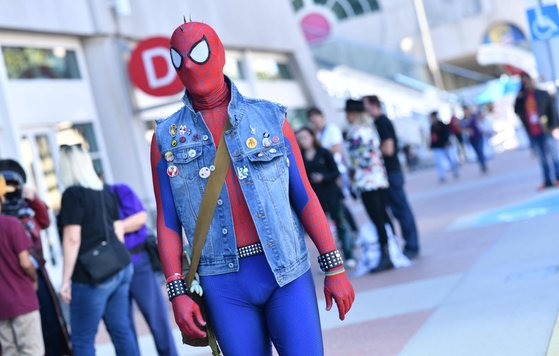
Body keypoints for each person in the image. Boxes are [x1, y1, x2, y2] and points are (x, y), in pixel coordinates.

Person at [150, 22, 354, 355]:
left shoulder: (271, 118)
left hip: (287, 271)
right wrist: (177, 292)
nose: (188, 65)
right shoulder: (165, 138)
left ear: (220, 54)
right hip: (222, 283)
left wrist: (334, 266)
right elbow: (168, 222)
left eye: (198, 53)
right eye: (178, 58)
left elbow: (303, 195)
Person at [58, 145, 138, 356]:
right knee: (122, 331)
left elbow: (72, 239)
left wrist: (65, 280)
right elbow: (118, 230)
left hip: (92, 276)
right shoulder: (104, 192)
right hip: (120, 266)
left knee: (83, 339)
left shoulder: (72, 195)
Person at [0, 159, 72, 356]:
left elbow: (45, 221)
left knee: (49, 322)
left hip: (37, 275)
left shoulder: (26, 210)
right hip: (18, 277)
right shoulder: (6, 220)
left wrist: (34, 199)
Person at [110, 183, 178, 356]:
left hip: (138, 262)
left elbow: (140, 218)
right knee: (123, 328)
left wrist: (111, 229)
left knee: (157, 319)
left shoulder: (119, 190)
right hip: (111, 269)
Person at [363, 95, 420, 259]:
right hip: (389, 173)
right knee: (399, 210)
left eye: (365, 105)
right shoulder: (379, 122)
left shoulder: (382, 122)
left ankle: (412, 245)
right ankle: (410, 244)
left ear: (373, 105)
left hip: (391, 172)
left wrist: (371, 149)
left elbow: (388, 149)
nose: (364, 109)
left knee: (401, 210)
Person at [345, 99, 394, 272]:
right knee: (383, 216)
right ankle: (391, 249)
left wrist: (351, 174)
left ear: (353, 114)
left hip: (366, 182)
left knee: (377, 218)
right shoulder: (369, 130)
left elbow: (357, 160)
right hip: (378, 179)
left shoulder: (355, 133)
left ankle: (386, 253)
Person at [296, 126, 355, 264]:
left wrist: (323, 177)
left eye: (304, 137)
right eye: (299, 139)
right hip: (315, 198)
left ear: (312, 136)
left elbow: (336, 172)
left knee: (341, 224)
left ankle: (349, 255)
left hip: (332, 194)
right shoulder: (300, 158)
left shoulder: (324, 153)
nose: (302, 141)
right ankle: (329, 260)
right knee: (321, 230)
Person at [0, 174, 44, 356]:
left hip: (1, 307)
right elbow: (25, 262)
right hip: (22, 299)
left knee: (10, 352)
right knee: (31, 351)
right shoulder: (11, 224)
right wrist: (34, 279)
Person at [307, 107, 360, 237]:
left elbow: (336, 147)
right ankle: (345, 231)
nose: (315, 123)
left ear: (321, 117)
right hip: (325, 173)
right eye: (312, 121)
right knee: (335, 205)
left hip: (336, 171)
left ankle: (352, 230)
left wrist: (320, 156)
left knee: (339, 203)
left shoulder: (331, 130)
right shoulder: (316, 134)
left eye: (316, 119)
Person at [514, 72, 559, 189]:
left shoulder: (542, 94)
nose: (526, 84)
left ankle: (558, 178)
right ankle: (547, 180)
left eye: (527, 80)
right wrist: (518, 98)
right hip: (533, 132)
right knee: (542, 158)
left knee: (554, 154)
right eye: (523, 82)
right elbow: (516, 111)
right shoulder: (522, 97)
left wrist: (554, 126)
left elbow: (552, 110)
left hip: (546, 129)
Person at [430, 111, 459, 182]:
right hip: (437, 146)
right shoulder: (432, 126)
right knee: (438, 162)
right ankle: (442, 175)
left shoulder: (441, 124)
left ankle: (455, 170)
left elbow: (447, 133)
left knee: (450, 159)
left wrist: (446, 141)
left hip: (445, 145)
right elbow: (432, 137)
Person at [462, 106, 488, 173]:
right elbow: (462, 128)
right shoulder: (464, 119)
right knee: (477, 152)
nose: (465, 111)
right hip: (471, 138)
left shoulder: (474, 116)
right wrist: (467, 130)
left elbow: (480, 120)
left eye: (466, 110)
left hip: (478, 136)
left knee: (480, 150)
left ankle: (483, 164)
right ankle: (481, 164)